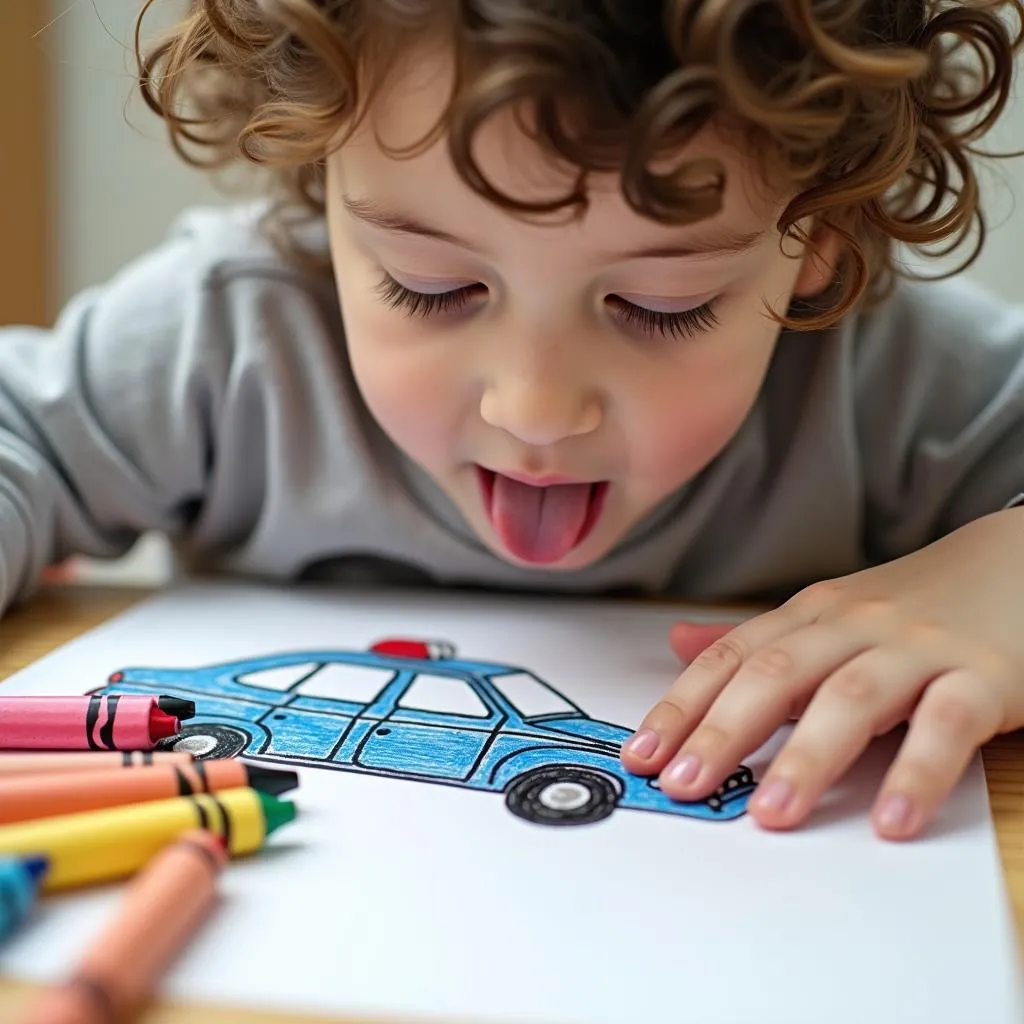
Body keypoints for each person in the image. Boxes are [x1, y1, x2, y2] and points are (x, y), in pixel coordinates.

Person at [2, 0, 1023, 841]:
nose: (532, 410)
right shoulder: (227, 336)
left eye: (660, 306)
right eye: (430, 285)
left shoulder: (887, 377)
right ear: (324, 174)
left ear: (817, 241)